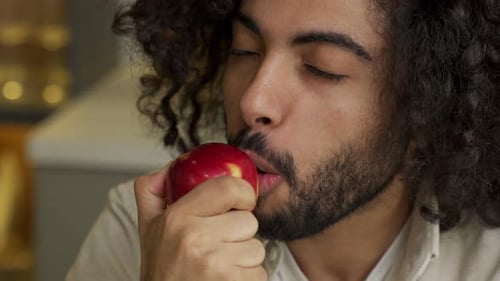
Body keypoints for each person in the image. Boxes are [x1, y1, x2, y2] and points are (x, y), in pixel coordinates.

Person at [66, 0, 500, 280]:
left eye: (322, 67)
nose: (254, 99)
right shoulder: (144, 234)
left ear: (429, 102)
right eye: (245, 50)